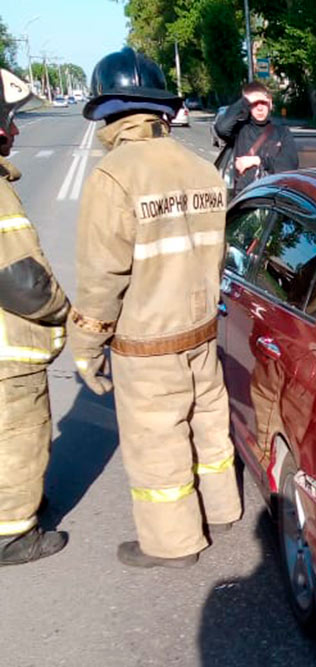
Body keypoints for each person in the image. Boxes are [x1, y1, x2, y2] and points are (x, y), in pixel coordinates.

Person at [70, 47, 242, 569]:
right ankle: (222, 507)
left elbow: (102, 278)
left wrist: (86, 345)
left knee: (157, 439)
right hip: (200, 329)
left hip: (146, 341)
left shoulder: (114, 177)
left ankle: (173, 544)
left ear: (106, 112)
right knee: (208, 422)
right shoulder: (201, 168)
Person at [0, 68, 71, 566]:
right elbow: (23, 283)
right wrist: (64, 309)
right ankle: (15, 534)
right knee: (19, 436)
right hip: (9, 353)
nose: (17, 130)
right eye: (10, 120)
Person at [213, 81, 298, 194]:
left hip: (273, 196)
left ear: (270, 104)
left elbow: (289, 165)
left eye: (263, 103)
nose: (259, 108)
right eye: (254, 103)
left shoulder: (282, 132)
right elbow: (221, 128)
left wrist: (257, 160)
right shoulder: (240, 130)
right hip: (245, 197)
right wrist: (245, 100)